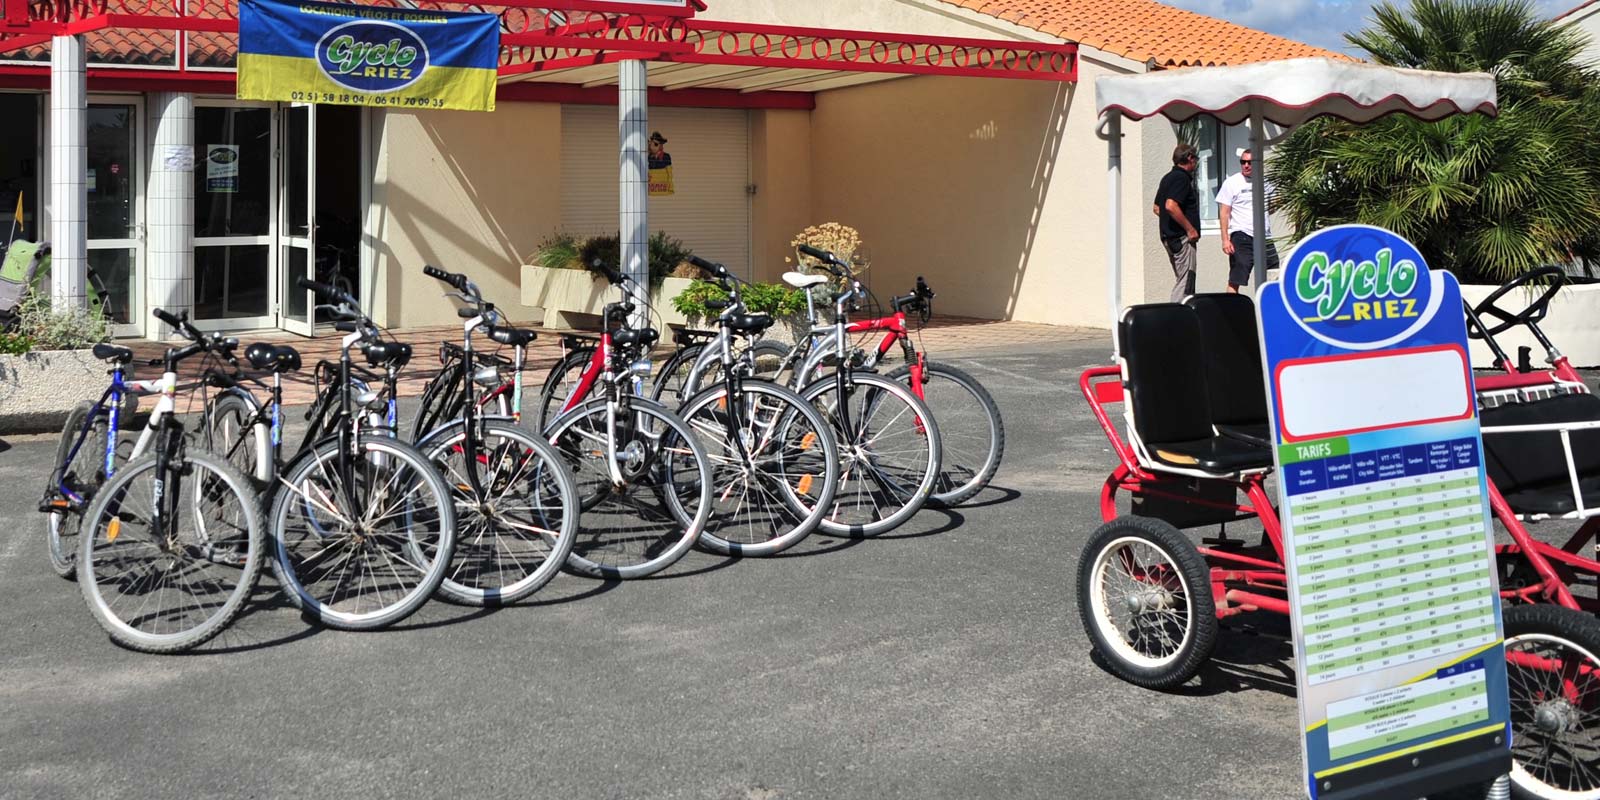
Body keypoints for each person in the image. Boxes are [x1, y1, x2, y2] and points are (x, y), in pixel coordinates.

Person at [1216, 148, 1280, 293]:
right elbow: (1224, 213)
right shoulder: (1232, 182)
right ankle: (1232, 314)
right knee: (1237, 278)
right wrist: (1225, 240)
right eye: (1243, 162)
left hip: (1265, 237)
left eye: (1250, 162)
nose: (1246, 165)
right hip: (1242, 235)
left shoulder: (1266, 181)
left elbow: (1273, 205)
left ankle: (1268, 311)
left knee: (1274, 274)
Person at [1153, 143, 1200, 302]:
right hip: (1181, 239)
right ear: (1189, 158)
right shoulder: (1181, 178)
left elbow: (1157, 208)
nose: (1196, 163)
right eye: (1196, 159)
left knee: (1182, 279)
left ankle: (1179, 319)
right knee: (1186, 283)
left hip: (1170, 238)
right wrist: (1190, 229)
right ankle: (1177, 319)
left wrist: (1168, 225)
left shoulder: (1167, 177)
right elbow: (1170, 206)